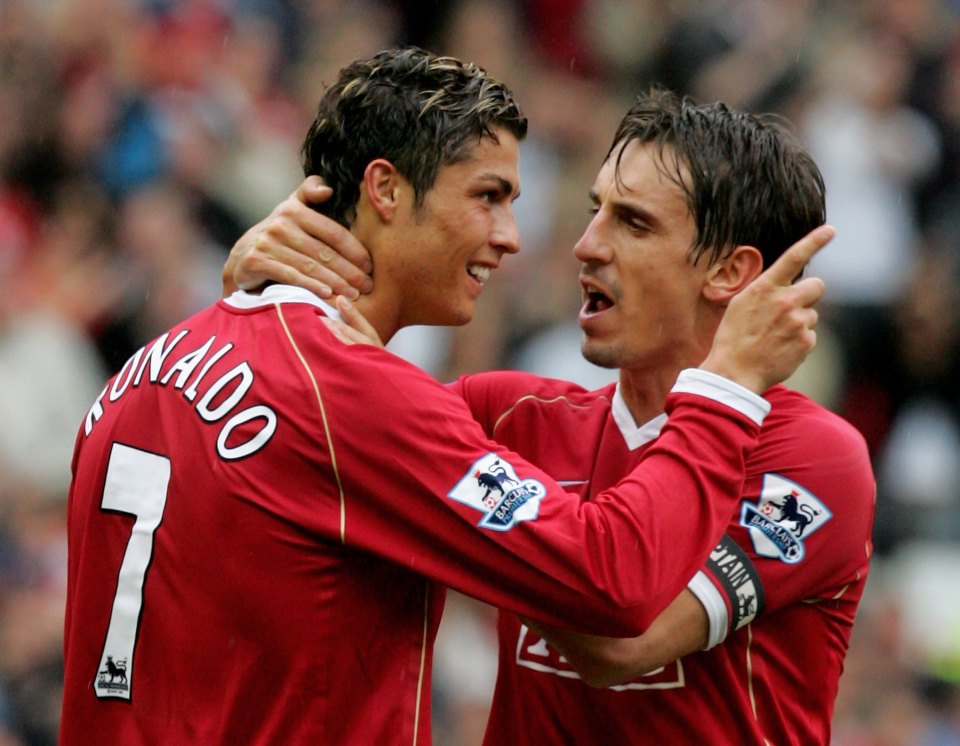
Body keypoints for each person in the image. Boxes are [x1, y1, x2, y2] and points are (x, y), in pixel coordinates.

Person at [60, 50, 829, 745]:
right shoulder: (373, 404)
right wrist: (725, 389)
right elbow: (613, 597)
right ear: (386, 189)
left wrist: (247, 289)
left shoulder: (154, 363)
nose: (528, 239)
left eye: (628, 221)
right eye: (488, 196)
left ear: (730, 271)